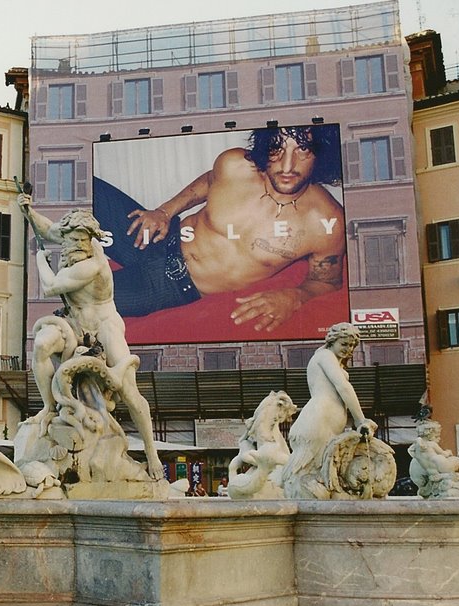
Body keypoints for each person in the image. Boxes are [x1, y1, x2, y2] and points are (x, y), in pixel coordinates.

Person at [93, 124, 345, 332]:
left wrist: (295, 296)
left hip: (171, 286)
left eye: (303, 150)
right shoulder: (236, 164)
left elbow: (327, 281)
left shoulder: (325, 221)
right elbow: (210, 181)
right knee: (84, 186)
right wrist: (165, 211)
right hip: (157, 237)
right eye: (277, 148)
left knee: (79, 300)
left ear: (320, 154)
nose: (288, 165)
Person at [17, 193, 162, 479]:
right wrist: (29, 211)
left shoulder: (92, 263)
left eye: (84, 241)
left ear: (91, 238)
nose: (78, 246)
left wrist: (40, 260)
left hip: (104, 326)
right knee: (43, 345)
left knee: (129, 391)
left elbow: (50, 287)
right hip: (73, 324)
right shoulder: (68, 234)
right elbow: (48, 229)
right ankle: (48, 407)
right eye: (73, 241)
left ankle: (152, 454)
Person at [280, 322, 376, 495]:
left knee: (320, 473)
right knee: (305, 473)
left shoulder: (332, 361)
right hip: (319, 419)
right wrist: (360, 420)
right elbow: (343, 387)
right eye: (344, 344)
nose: (349, 349)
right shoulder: (325, 355)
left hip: (326, 421)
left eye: (352, 345)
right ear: (332, 341)